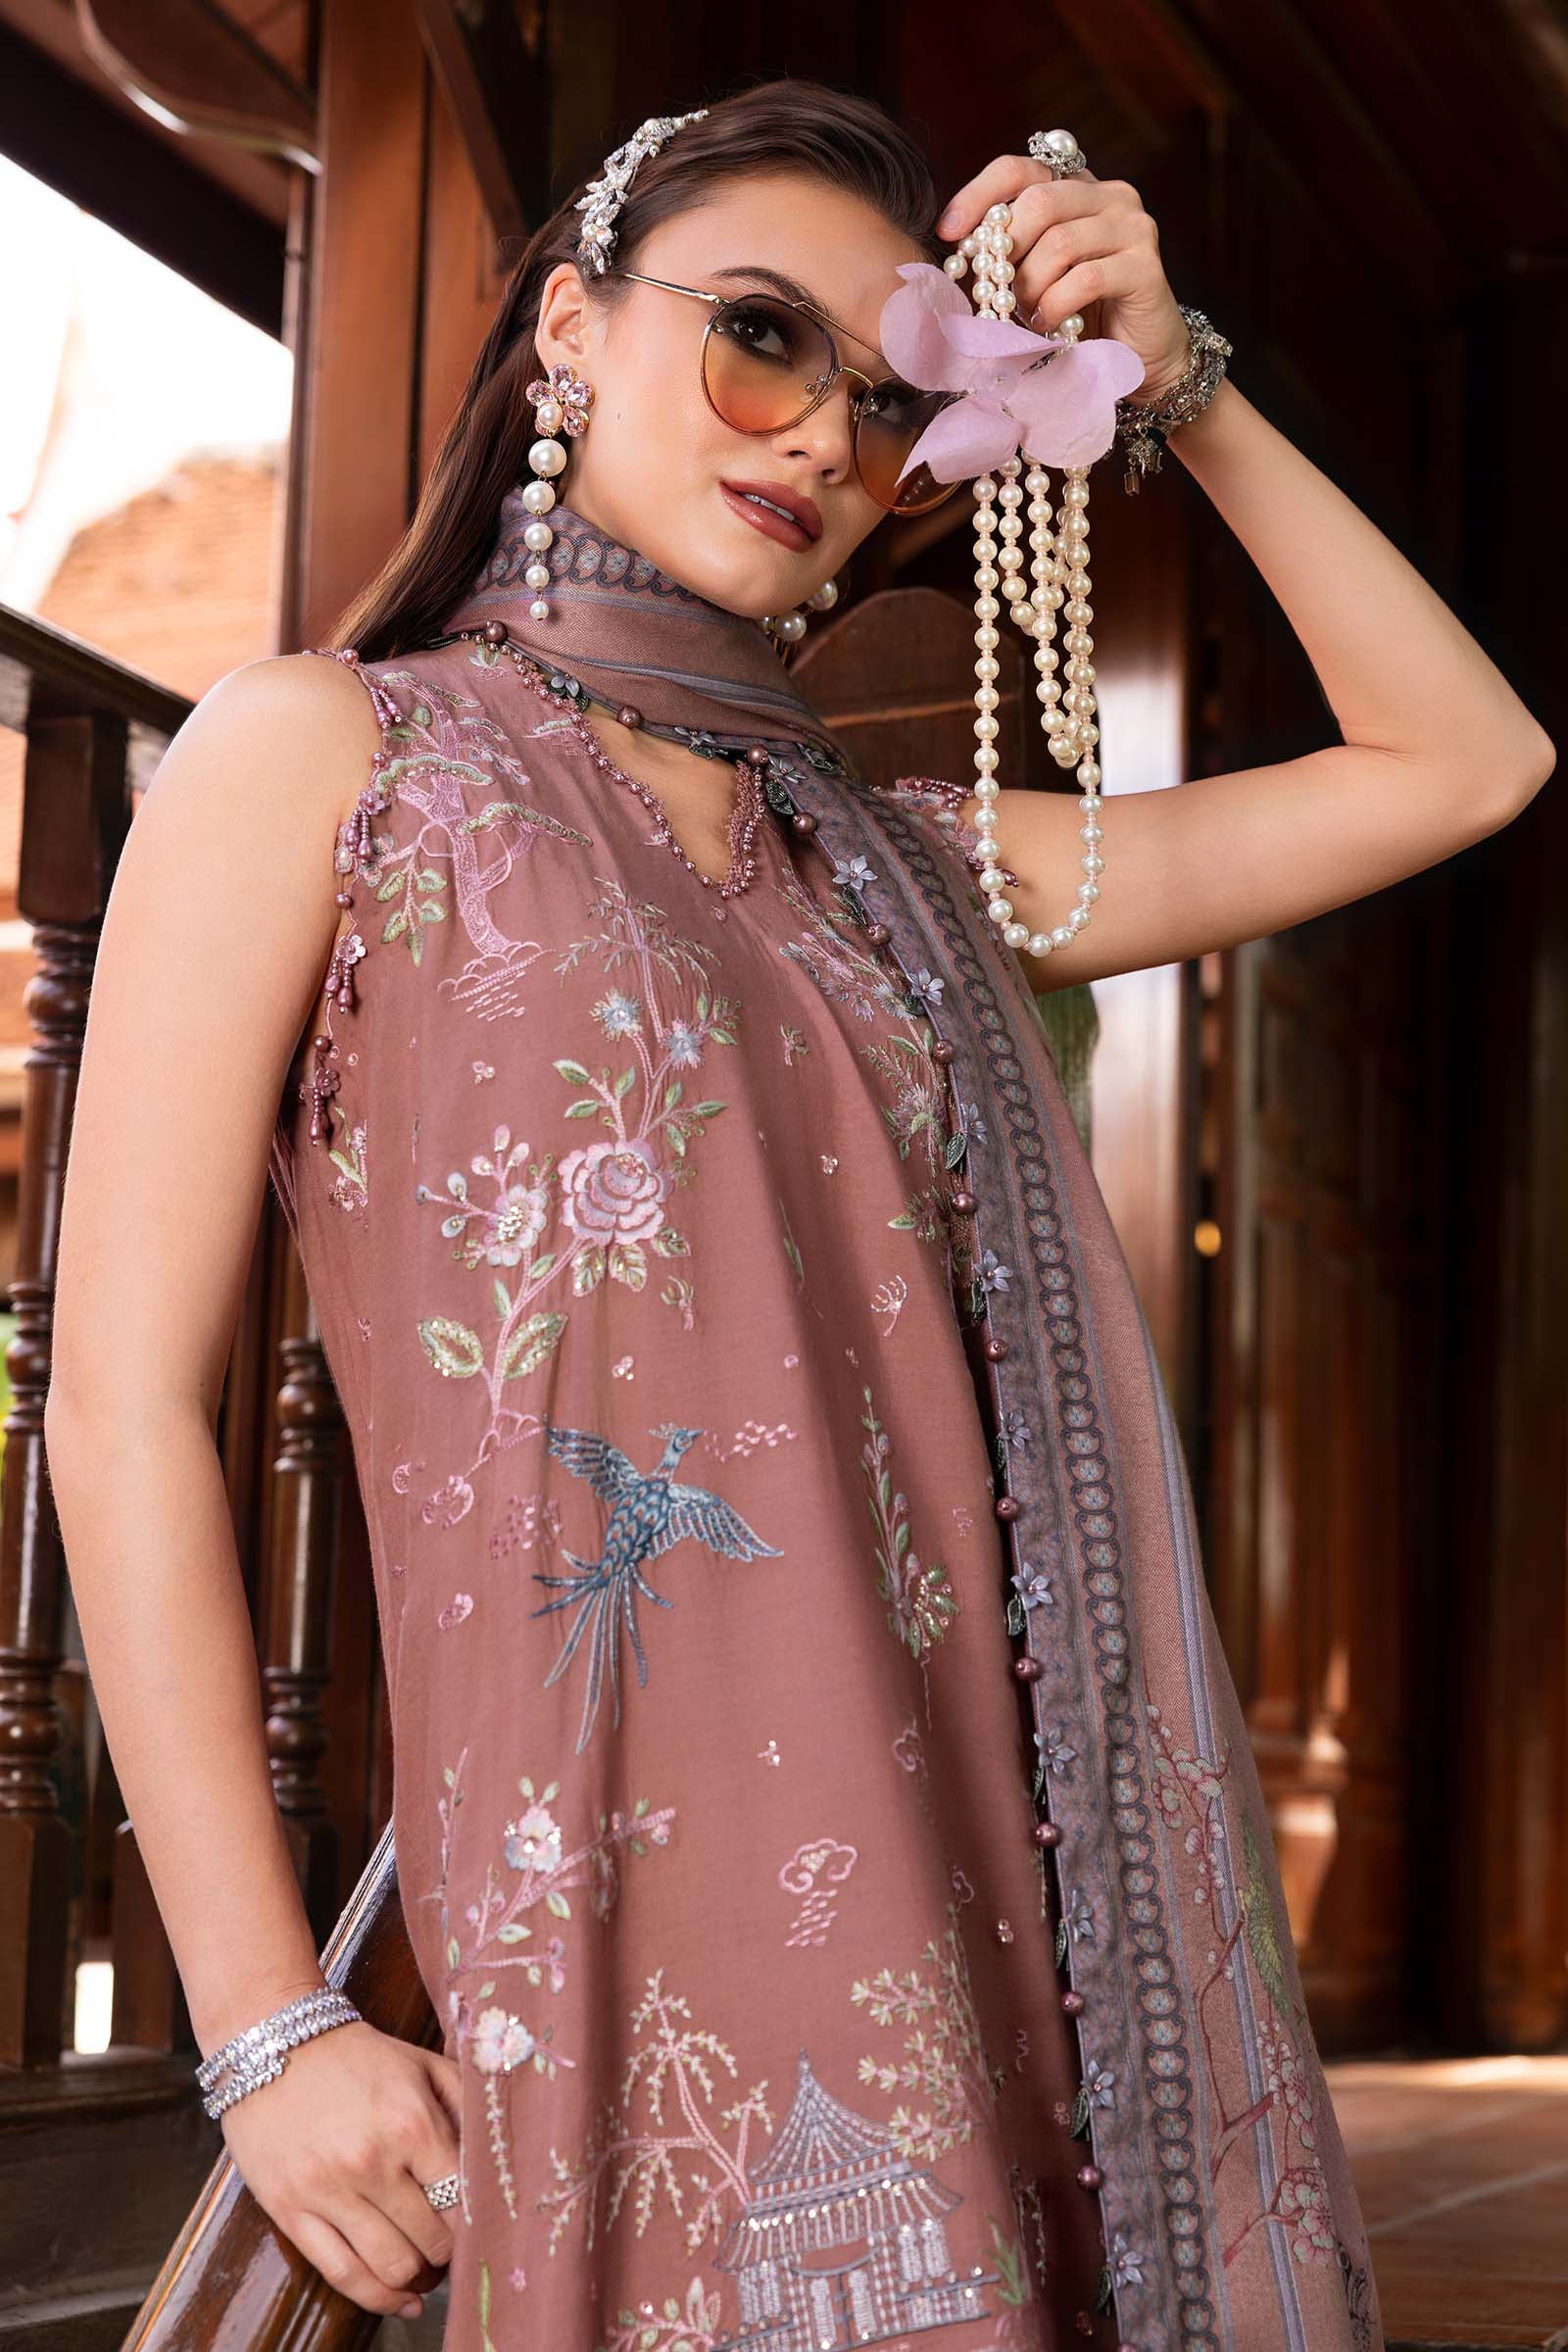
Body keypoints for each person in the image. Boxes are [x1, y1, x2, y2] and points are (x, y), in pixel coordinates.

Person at [45, 73, 1551, 2352]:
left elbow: (1463, 763)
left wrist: (1185, 387)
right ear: (569, 330)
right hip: (615, 1889)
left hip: (994, 1870)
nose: (823, 438)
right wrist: (263, 2027)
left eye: (890, 399)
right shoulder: (331, 755)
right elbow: (123, 1403)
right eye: (758, 336)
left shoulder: (906, 869)